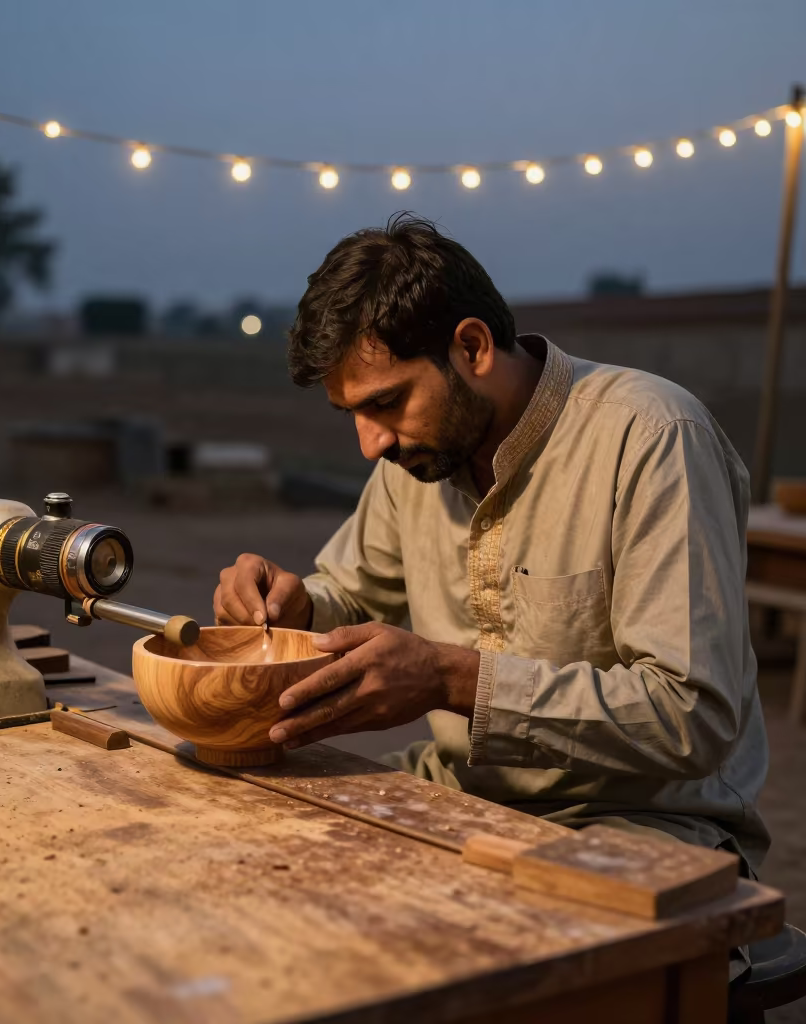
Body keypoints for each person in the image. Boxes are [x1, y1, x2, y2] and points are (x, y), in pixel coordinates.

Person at [214, 213, 769, 876]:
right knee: (255, 843)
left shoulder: (652, 437)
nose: (371, 444)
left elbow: (692, 718)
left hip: (650, 821)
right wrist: (298, 609)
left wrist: (451, 679)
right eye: (352, 414)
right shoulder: (420, 460)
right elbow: (355, 596)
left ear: (472, 347)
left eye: (387, 403)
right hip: (461, 788)